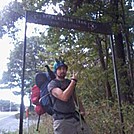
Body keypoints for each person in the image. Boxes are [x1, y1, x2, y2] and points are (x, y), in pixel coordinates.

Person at [48, 59, 92, 134]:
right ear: (55, 71)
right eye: (59, 69)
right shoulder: (52, 84)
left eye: (64, 69)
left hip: (74, 117)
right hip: (62, 121)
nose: (62, 71)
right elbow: (64, 97)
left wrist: (81, 109)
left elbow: (75, 96)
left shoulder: (69, 82)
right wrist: (73, 81)